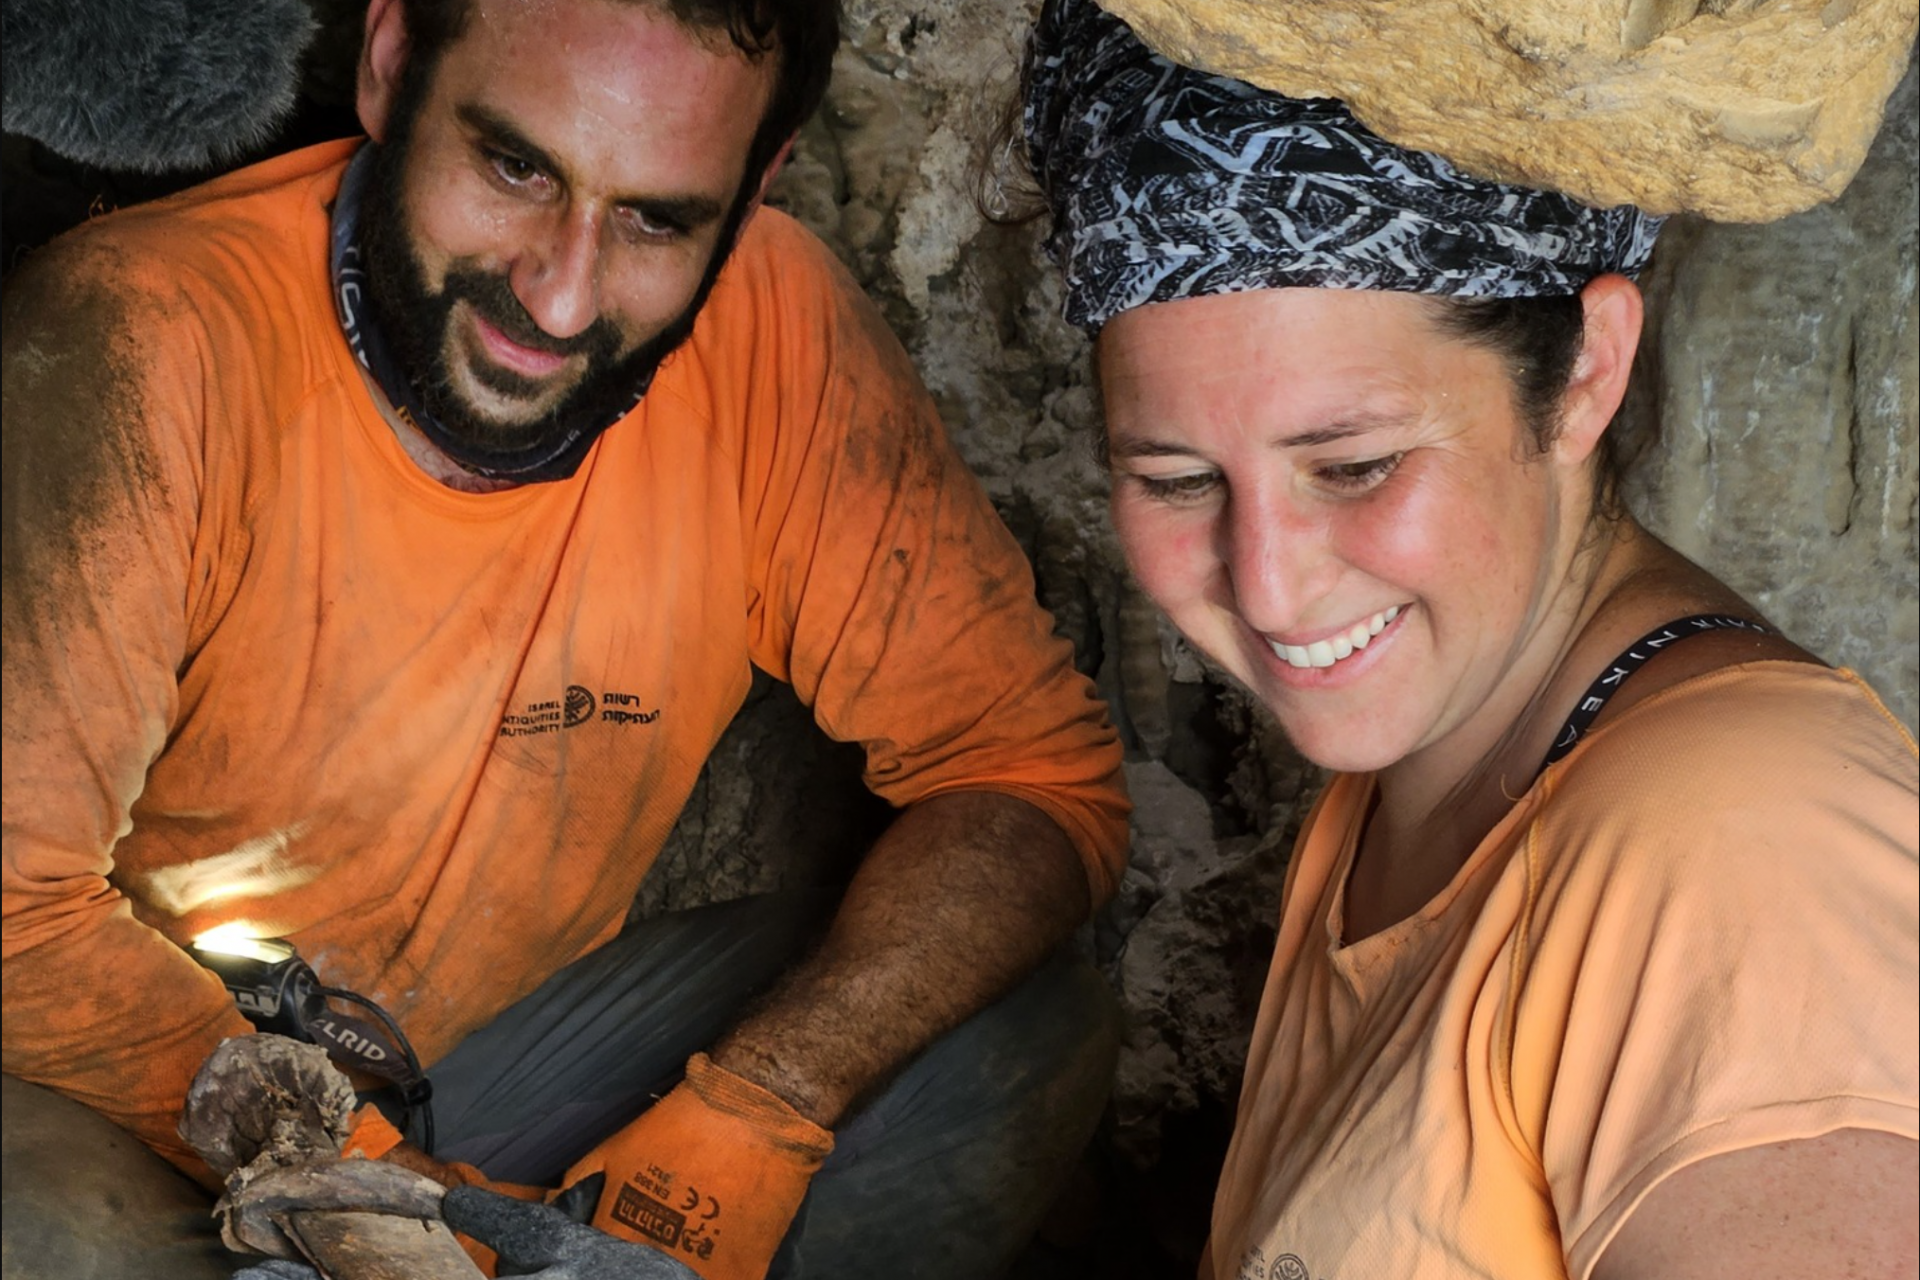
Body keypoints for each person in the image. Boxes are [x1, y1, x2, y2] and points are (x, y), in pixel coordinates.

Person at [0, 0, 1134, 1276]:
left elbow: (1032, 772)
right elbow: (12, 915)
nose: (561, 293)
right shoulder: (144, 335)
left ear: (758, 183)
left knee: (1011, 1031)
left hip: (495, 1068)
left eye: (657, 218)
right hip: (153, 1086)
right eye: (515, 166)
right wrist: (352, 1177)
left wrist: (759, 1110)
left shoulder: (775, 324)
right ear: (390, 67)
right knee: (46, 1242)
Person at [1013, 0, 1920, 1276]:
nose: (1268, 588)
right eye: (1175, 480)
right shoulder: (1422, 771)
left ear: (1587, 373)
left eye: (1357, 464)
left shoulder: (1747, 851)